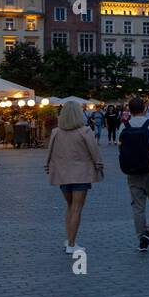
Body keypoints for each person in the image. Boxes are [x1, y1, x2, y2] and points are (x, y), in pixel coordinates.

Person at [45, 100, 105, 255]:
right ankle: (72, 244)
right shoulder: (85, 131)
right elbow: (94, 151)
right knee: (77, 209)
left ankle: (69, 239)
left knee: (70, 207)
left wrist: (47, 166)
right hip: (81, 174)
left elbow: (50, 151)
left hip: (62, 174)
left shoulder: (56, 132)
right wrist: (99, 165)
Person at [118, 96, 149, 251]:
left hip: (132, 170)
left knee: (138, 206)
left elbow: (121, 148)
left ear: (129, 110)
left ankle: (142, 240)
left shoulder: (123, 126)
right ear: (145, 108)